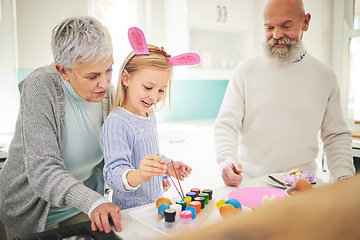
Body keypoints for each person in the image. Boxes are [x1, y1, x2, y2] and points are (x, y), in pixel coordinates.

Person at [0, 16, 121, 239]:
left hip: (80, 204)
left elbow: (117, 150)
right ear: (64, 71)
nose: (104, 82)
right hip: (30, 212)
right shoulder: (40, 87)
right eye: (92, 76)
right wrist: (94, 202)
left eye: (109, 69)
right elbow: (44, 169)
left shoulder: (107, 92)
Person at [214, 0, 355, 186]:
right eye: (269, 28)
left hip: (303, 186)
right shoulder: (244, 72)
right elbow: (226, 125)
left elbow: (336, 136)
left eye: (286, 26)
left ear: (305, 22)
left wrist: (344, 178)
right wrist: (226, 161)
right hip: (252, 184)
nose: (277, 35)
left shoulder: (325, 76)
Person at [100, 27, 198, 210]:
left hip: (154, 208)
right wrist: (141, 175)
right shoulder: (116, 123)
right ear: (126, 78)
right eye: (147, 87)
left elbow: (146, 155)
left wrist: (166, 166)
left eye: (161, 90)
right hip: (130, 213)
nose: (154, 97)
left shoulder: (148, 114)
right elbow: (114, 175)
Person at [163, 173, 360, 240]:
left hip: (308, 190)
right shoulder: (244, 76)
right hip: (250, 179)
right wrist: (228, 162)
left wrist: (344, 185)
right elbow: (226, 124)